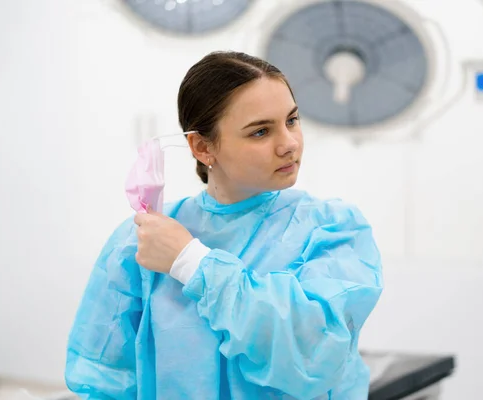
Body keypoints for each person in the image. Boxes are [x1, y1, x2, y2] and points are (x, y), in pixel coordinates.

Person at [65, 51, 383, 400]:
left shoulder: (332, 230)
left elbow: (315, 354)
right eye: (261, 131)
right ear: (203, 147)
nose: (289, 143)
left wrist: (192, 263)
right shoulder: (142, 241)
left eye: (292, 120)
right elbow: (108, 378)